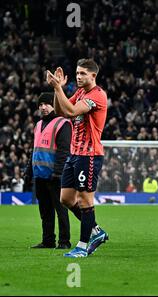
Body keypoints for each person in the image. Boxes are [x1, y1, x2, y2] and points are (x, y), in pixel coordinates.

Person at [46, 59, 109, 258]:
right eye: (77, 73)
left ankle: (83, 246)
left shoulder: (97, 95)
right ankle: (97, 231)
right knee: (66, 198)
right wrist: (59, 89)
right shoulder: (81, 92)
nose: (79, 77)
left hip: (89, 154)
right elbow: (60, 111)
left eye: (83, 73)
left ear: (93, 75)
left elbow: (72, 111)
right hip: (75, 154)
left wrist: (58, 88)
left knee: (84, 200)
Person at [27, 92, 72, 249]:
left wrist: (58, 172)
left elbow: (64, 151)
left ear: (53, 105)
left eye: (46, 104)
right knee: (45, 211)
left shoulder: (63, 123)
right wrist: (29, 171)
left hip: (56, 176)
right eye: (40, 105)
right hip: (40, 176)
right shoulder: (38, 125)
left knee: (61, 211)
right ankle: (48, 241)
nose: (43, 107)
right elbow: (35, 150)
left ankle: (64, 242)